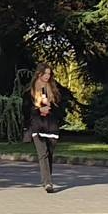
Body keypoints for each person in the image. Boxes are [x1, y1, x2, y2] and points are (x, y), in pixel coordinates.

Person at [25, 64, 65, 193]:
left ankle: (47, 179)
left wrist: (52, 106)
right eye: (45, 73)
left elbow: (61, 108)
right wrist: (38, 109)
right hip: (38, 125)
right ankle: (48, 183)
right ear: (39, 74)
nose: (47, 76)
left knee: (49, 155)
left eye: (49, 74)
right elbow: (26, 110)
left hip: (51, 126)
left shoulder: (54, 89)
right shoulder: (30, 91)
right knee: (43, 154)